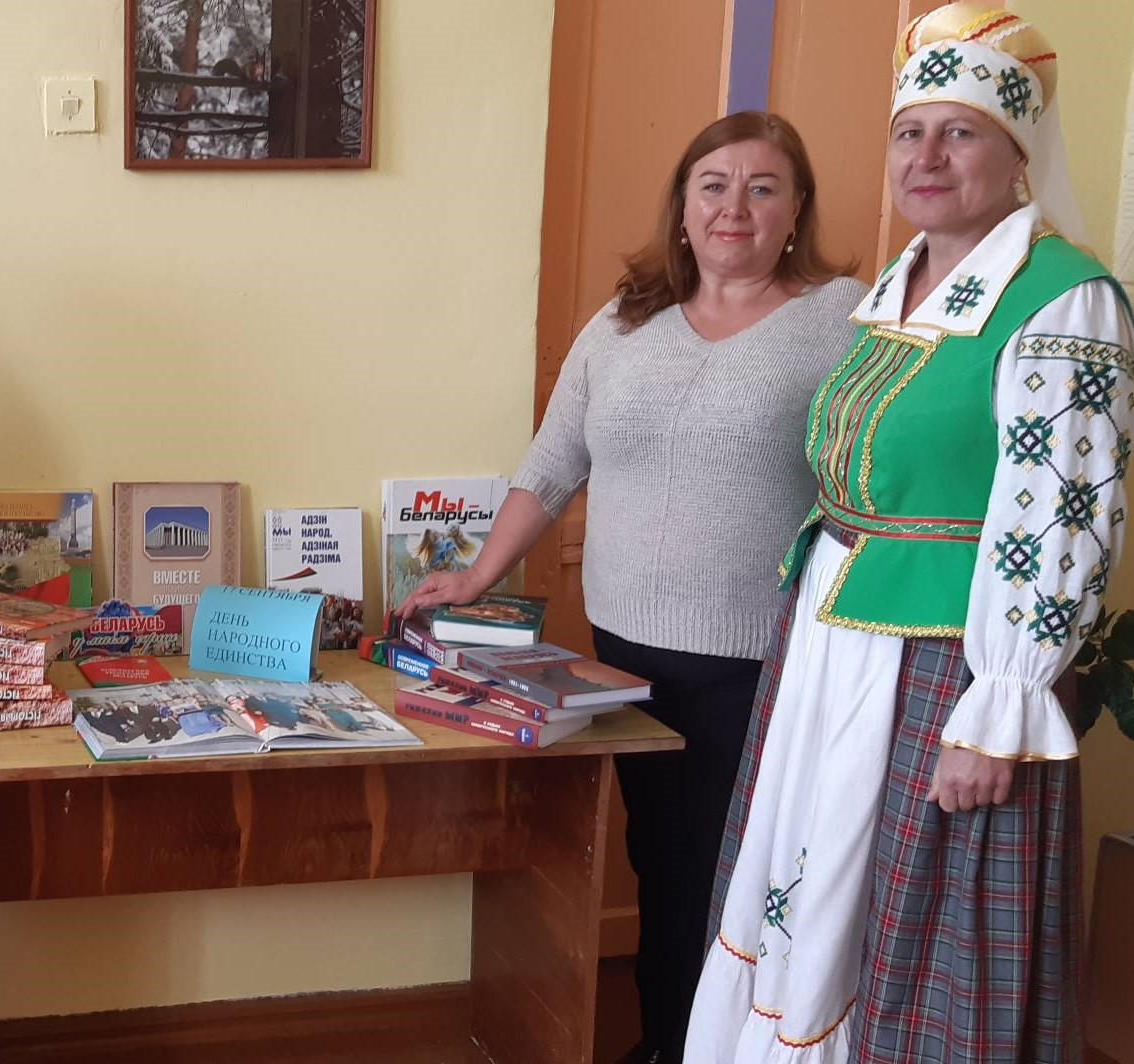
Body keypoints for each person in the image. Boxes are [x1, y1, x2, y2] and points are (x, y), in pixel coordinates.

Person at [687, 6, 1132, 1062]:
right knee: (810, 882)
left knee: (906, 915)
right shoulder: (901, 285)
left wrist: (999, 705)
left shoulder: (1061, 299)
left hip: (943, 662)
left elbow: (1064, 513)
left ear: (1016, 153)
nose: (924, 157)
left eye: (959, 132)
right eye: (907, 133)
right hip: (833, 638)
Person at [397, 111, 863, 1064]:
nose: (734, 207)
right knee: (658, 861)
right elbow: (552, 462)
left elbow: (873, 480)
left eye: (762, 188)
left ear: (796, 210)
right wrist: (476, 573)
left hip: (757, 660)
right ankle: (665, 1041)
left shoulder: (842, 318)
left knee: (735, 875)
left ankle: (724, 1048)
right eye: (712, 185)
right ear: (681, 207)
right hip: (622, 656)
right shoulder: (622, 322)